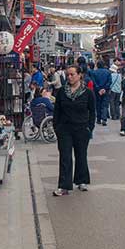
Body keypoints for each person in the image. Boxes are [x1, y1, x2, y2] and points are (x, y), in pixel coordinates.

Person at [52, 65, 96, 196]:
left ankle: (82, 181)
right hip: (64, 129)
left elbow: (92, 112)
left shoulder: (87, 93)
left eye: (72, 74)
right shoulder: (61, 92)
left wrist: (90, 128)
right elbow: (57, 111)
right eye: (68, 75)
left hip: (82, 128)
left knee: (81, 155)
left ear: (79, 75)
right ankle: (64, 186)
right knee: (65, 157)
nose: (69, 77)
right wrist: (57, 127)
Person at [91, 60, 112, 125]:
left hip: (97, 91)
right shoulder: (108, 72)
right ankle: (104, 119)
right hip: (106, 91)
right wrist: (104, 88)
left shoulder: (94, 72)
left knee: (98, 105)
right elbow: (109, 81)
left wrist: (98, 89)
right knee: (105, 105)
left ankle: (98, 119)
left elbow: (94, 82)